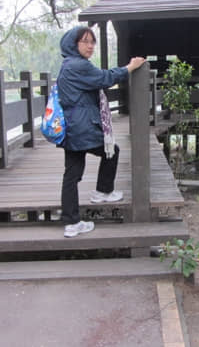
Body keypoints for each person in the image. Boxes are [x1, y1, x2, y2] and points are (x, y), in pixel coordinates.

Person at [56, 25, 146, 238]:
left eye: (92, 42)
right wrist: (130, 67)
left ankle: (72, 222)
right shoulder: (78, 66)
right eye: (85, 41)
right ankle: (102, 192)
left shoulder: (68, 65)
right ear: (73, 44)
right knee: (110, 151)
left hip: (73, 126)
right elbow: (105, 78)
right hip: (81, 126)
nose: (90, 46)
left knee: (72, 174)